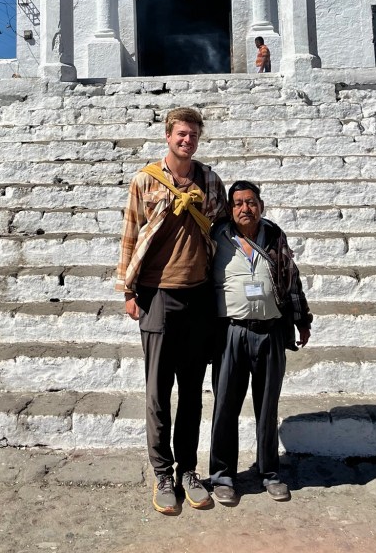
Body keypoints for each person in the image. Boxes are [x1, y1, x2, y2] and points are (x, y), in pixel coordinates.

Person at [116, 107, 228, 515]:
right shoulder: (145, 180)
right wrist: (127, 290)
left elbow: (222, 229)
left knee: (192, 393)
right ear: (168, 136)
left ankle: (188, 471)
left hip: (198, 296)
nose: (187, 140)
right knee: (158, 392)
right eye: (181, 134)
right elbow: (130, 233)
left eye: (193, 135)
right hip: (157, 295)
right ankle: (163, 473)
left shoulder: (210, 180)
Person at [209, 180, 311, 506]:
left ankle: (269, 472)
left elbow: (290, 279)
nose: (245, 208)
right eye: (238, 203)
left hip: (270, 332)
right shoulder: (217, 237)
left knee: (267, 408)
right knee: (225, 406)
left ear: (261, 206)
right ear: (230, 209)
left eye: (251, 202)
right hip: (231, 333)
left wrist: (302, 319)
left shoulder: (274, 235)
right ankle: (223, 475)